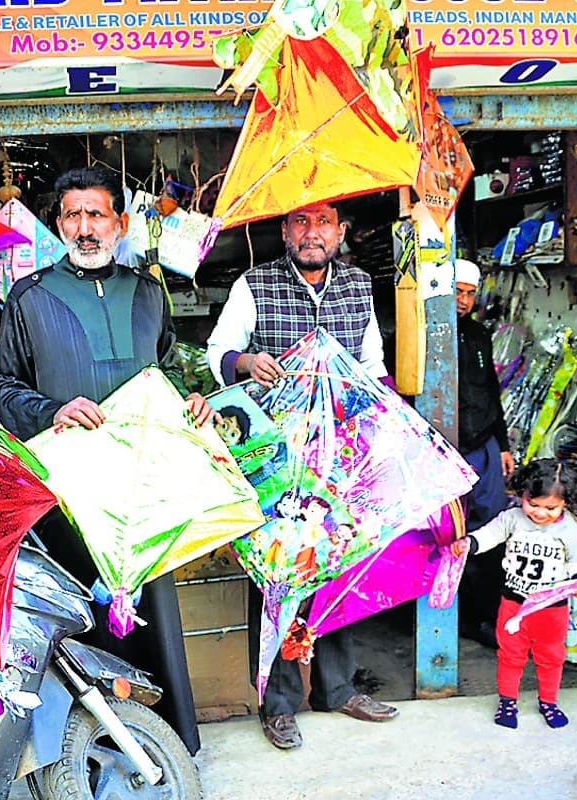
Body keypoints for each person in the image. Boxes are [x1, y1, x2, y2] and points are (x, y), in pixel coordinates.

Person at [0, 165, 212, 754]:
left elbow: (172, 368)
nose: (85, 228)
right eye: (72, 216)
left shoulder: (148, 292)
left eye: (96, 214)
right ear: (58, 224)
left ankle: (164, 744)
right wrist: (52, 410)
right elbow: (0, 387)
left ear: (121, 222)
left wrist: (194, 397)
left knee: (150, 614)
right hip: (72, 494)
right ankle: (86, 746)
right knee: (83, 616)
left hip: (144, 488)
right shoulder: (29, 298)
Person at [205, 201, 397, 751]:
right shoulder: (254, 284)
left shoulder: (359, 285)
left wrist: (380, 428)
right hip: (274, 461)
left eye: (323, 223)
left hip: (338, 458)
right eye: (300, 223)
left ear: (341, 232)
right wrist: (245, 363)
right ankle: (278, 702)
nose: (312, 234)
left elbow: (374, 367)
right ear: (285, 231)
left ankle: (337, 688)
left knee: (336, 568)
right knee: (279, 577)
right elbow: (217, 351)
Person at [451, 458, 577, 730]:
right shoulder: (513, 518)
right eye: (533, 503)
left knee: (551, 657)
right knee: (510, 655)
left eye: (550, 507)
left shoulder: (570, 531)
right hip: (513, 604)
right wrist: (470, 543)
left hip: (552, 610)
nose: (540, 513)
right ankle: (507, 701)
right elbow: (491, 533)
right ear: (522, 494)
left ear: (566, 502)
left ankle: (549, 701)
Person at [452, 258, 514, 650]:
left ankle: (484, 617)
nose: (463, 300)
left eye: (470, 293)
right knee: (448, 534)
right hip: (446, 449)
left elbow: (492, 389)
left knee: (490, 531)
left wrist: (503, 445)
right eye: (457, 291)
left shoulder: (479, 334)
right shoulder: (421, 334)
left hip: (484, 447)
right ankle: (453, 616)